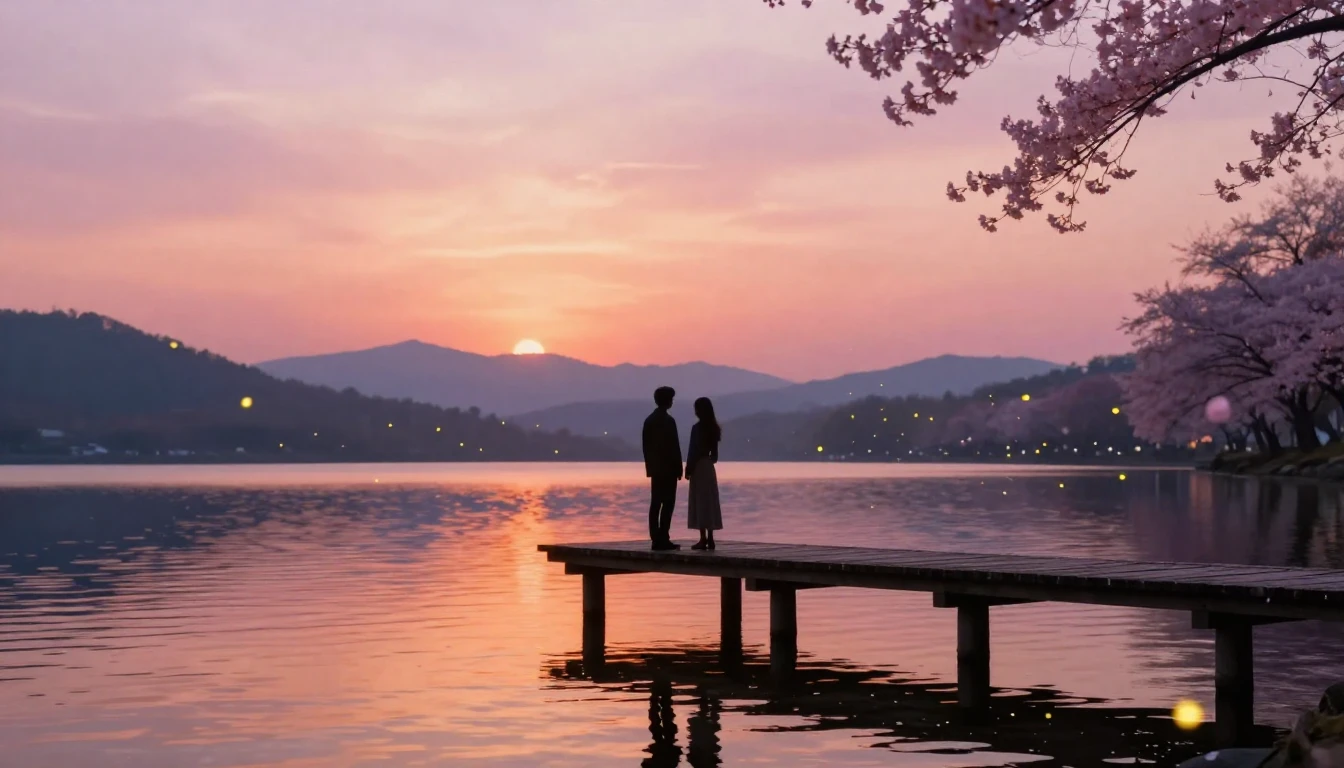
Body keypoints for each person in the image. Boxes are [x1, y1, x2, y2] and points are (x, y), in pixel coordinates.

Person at [642, 386, 683, 551]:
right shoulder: (667, 420)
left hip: (657, 469)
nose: (672, 402)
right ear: (667, 401)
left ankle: (656, 538)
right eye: (671, 399)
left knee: (656, 503)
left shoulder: (650, 420)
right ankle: (663, 537)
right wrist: (679, 468)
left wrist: (650, 468)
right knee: (668, 503)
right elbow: (674, 447)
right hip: (668, 469)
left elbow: (646, 447)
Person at [685, 396, 722, 551]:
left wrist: (689, 468)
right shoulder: (714, 429)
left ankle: (702, 539)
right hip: (708, 467)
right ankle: (711, 538)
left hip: (699, 467)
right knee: (710, 501)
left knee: (700, 501)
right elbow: (715, 456)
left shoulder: (697, 428)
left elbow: (693, 451)